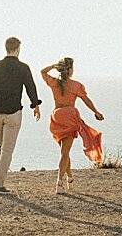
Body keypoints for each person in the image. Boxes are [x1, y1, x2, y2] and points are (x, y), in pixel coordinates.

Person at [0, 36, 41, 193]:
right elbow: (30, 87)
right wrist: (35, 105)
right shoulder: (23, 68)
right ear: (18, 49)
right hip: (13, 112)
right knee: (7, 149)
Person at [41, 56, 104, 193]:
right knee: (65, 152)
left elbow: (42, 72)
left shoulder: (54, 82)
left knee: (64, 151)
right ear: (69, 70)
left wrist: (53, 66)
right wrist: (96, 112)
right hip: (69, 115)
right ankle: (59, 183)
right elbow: (86, 100)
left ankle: (69, 177)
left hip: (57, 116)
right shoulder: (76, 85)